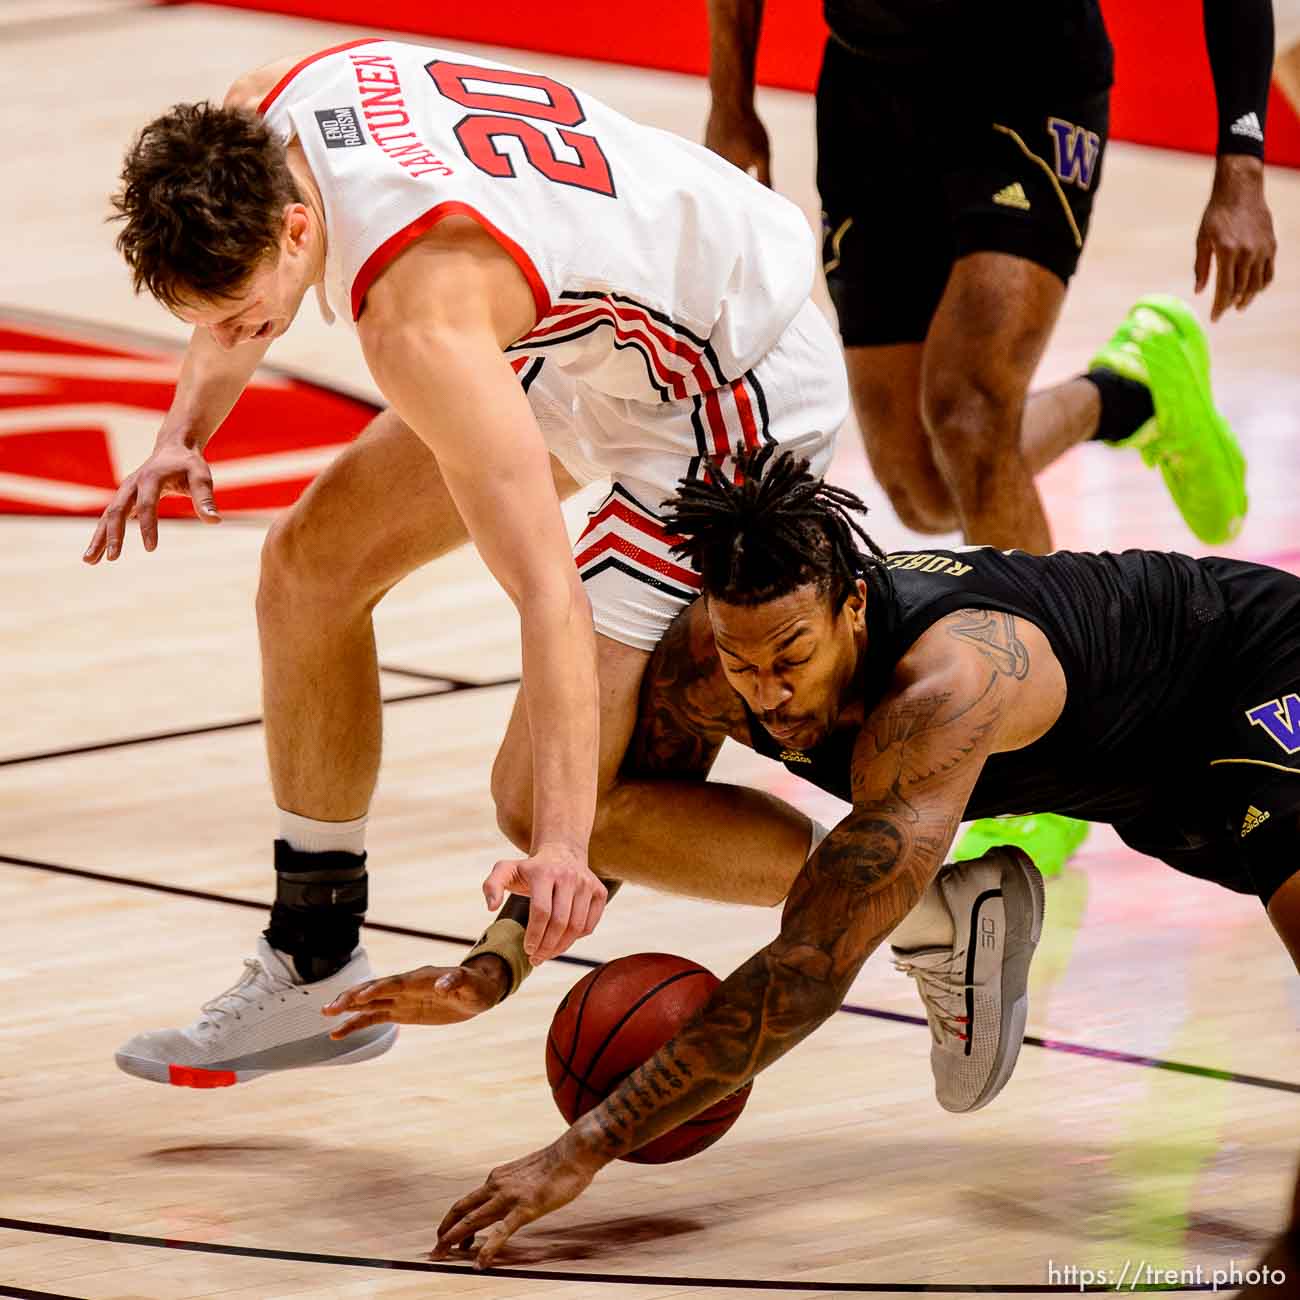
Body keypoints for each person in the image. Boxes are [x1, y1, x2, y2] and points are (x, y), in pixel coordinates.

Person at [332, 445, 1300, 1267]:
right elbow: (607, 824)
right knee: (594, 790)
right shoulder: (719, 663)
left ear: (851, 611)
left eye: (790, 656)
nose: (767, 693)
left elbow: (805, 970)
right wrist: (496, 961)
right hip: (1159, 795)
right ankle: (943, 917)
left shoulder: (942, 688)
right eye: (742, 660)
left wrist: (580, 1149)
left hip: (1255, 671)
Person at [95, 36, 849, 1087]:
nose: (227, 336)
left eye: (240, 316)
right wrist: (184, 427)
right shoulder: (263, 109)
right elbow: (247, 298)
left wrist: (563, 852)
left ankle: (911, 900)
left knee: (535, 798)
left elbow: (545, 593)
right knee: (310, 564)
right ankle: (315, 962)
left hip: (724, 381)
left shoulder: (417, 319)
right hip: (590, 320)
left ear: (299, 226)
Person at [706, 0, 1277, 875]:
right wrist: (730, 96)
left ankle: (1044, 758)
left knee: (971, 411)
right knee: (925, 487)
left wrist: (1240, 158)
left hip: (1027, 76)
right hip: (866, 89)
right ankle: (1128, 394)